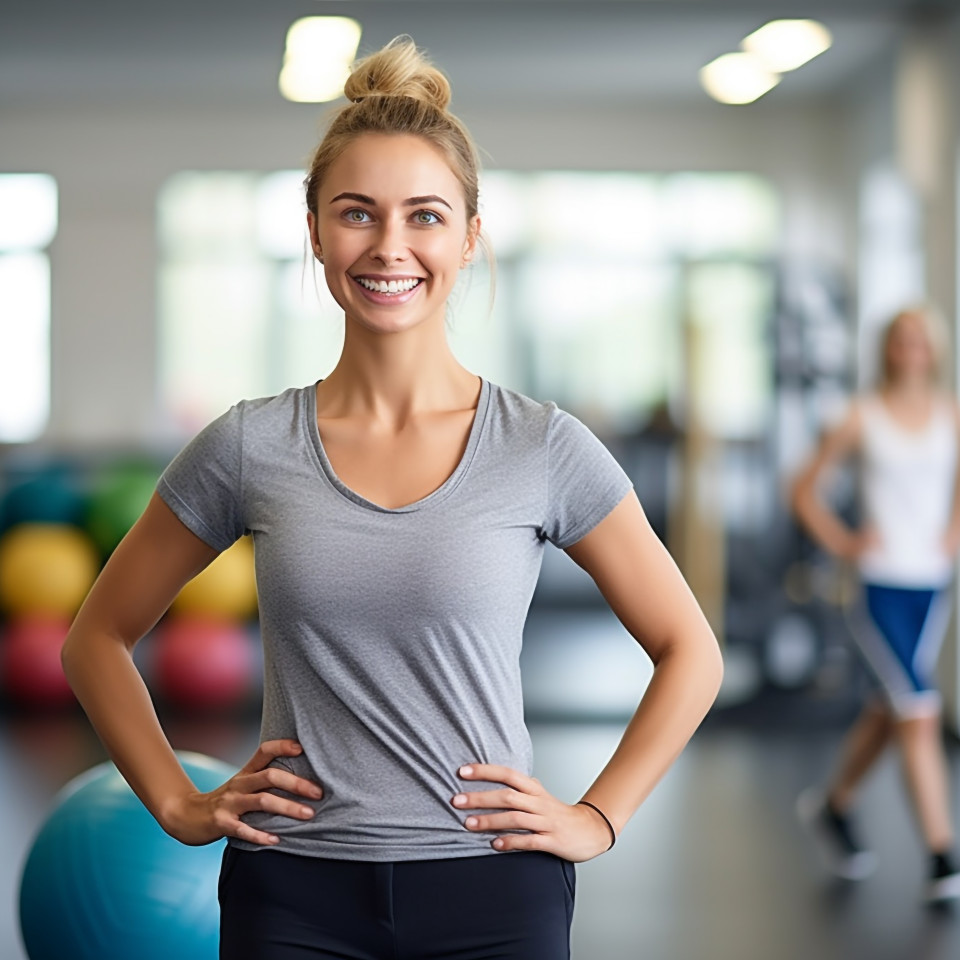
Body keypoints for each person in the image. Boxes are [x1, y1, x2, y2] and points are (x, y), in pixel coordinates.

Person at [61, 37, 724, 959]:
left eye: (424, 215)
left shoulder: (541, 445)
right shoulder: (252, 445)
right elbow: (94, 637)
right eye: (357, 214)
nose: (390, 246)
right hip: (292, 891)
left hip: (494, 886)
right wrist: (177, 799)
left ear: (469, 235)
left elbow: (690, 648)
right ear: (315, 229)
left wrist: (599, 817)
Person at [791, 305, 960, 904]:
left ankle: (834, 807)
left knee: (892, 707)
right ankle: (943, 855)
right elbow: (803, 489)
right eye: (901, 340)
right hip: (879, 586)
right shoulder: (863, 415)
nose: (911, 349)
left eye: (921, 340)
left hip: (932, 586)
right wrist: (844, 542)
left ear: (933, 350)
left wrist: (953, 532)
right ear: (888, 348)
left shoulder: (950, 416)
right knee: (918, 709)